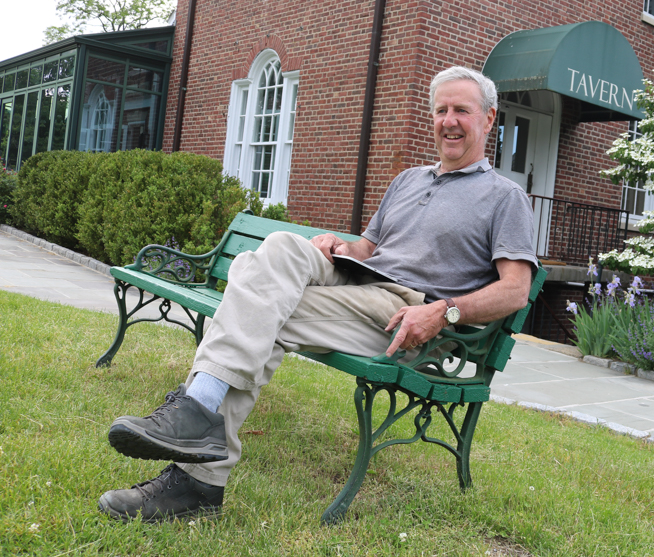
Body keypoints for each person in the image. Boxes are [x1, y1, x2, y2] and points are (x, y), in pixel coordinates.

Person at [97, 66, 537, 522]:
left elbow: (515, 291)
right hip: (359, 282)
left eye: (461, 110)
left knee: (261, 306)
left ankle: (197, 464)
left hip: (406, 315)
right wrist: (339, 246)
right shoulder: (408, 180)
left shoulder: (504, 198)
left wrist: (443, 314)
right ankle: (198, 420)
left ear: (488, 119)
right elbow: (370, 248)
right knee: (278, 250)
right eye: (441, 109)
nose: (448, 120)